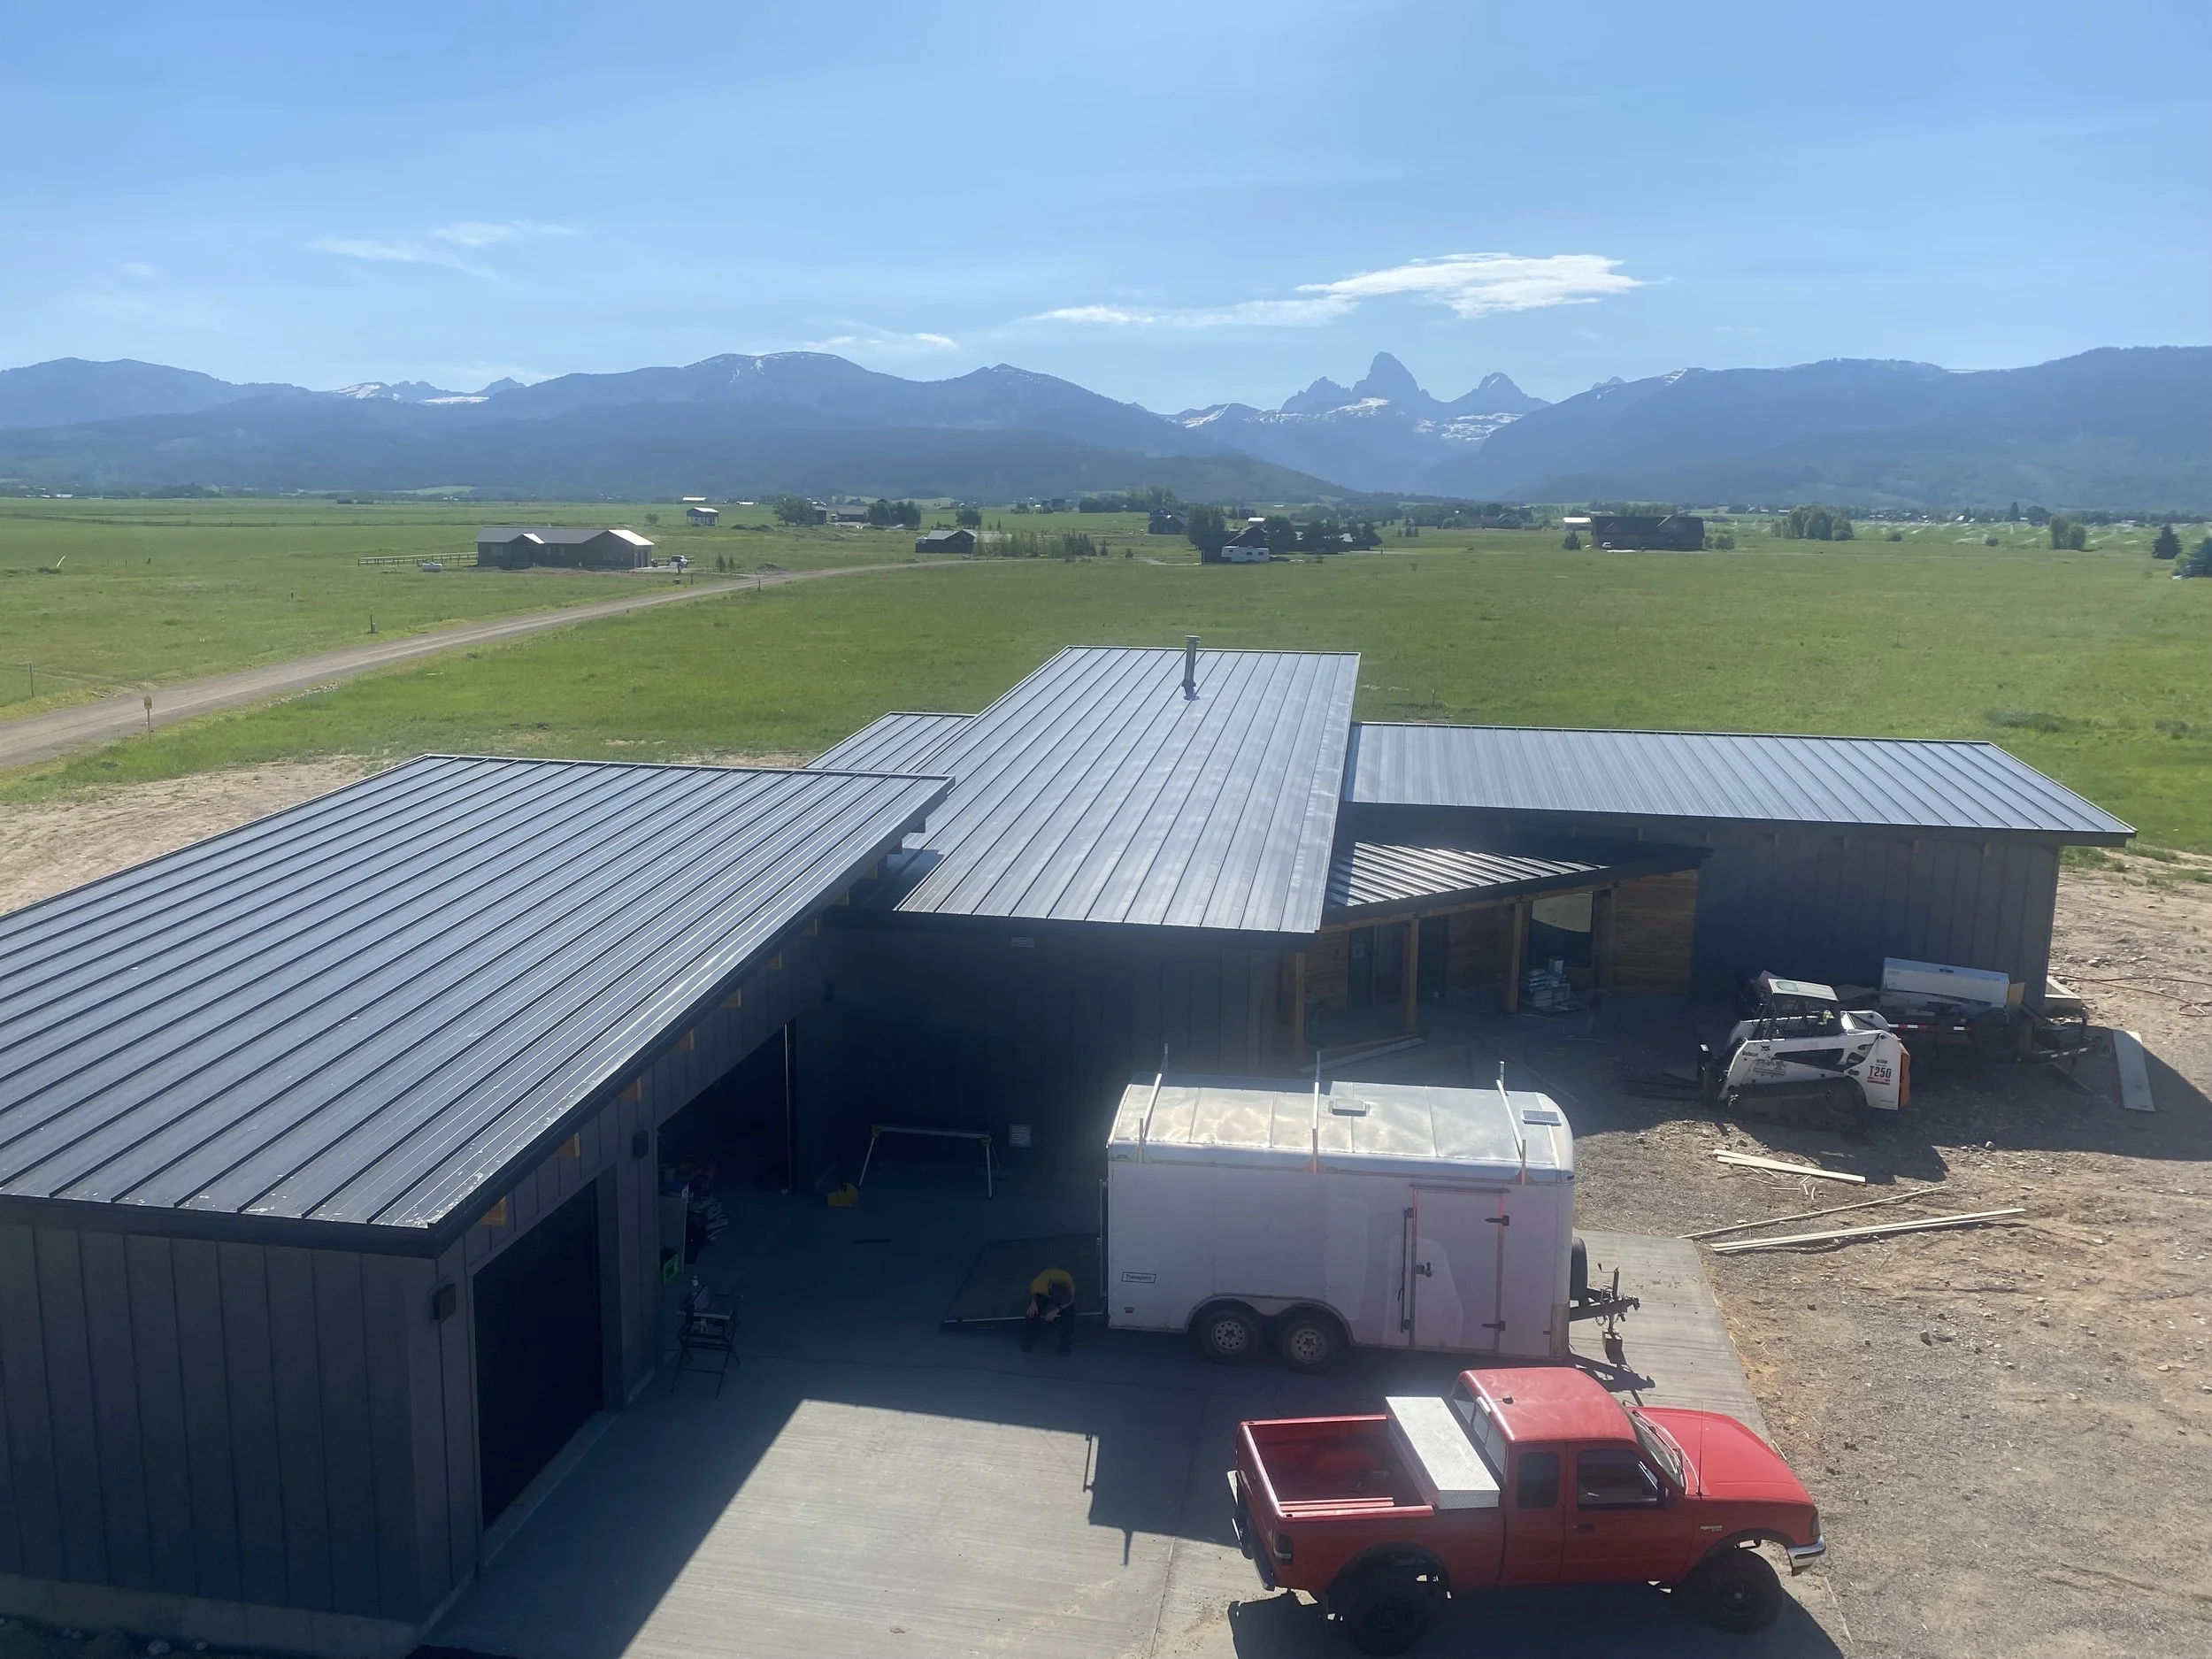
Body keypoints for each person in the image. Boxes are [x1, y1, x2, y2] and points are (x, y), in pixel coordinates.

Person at [1023, 1265, 1077, 1354]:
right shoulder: (1040, 1284)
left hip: (1063, 1296)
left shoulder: (1069, 1282)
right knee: (1032, 1312)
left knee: (1069, 1317)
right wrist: (1033, 1304)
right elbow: (1033, 1292)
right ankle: (1029, 1340)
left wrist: (1056, 1310)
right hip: (1044, 1294)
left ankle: (1065, 1344)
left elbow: (1071, 1300)